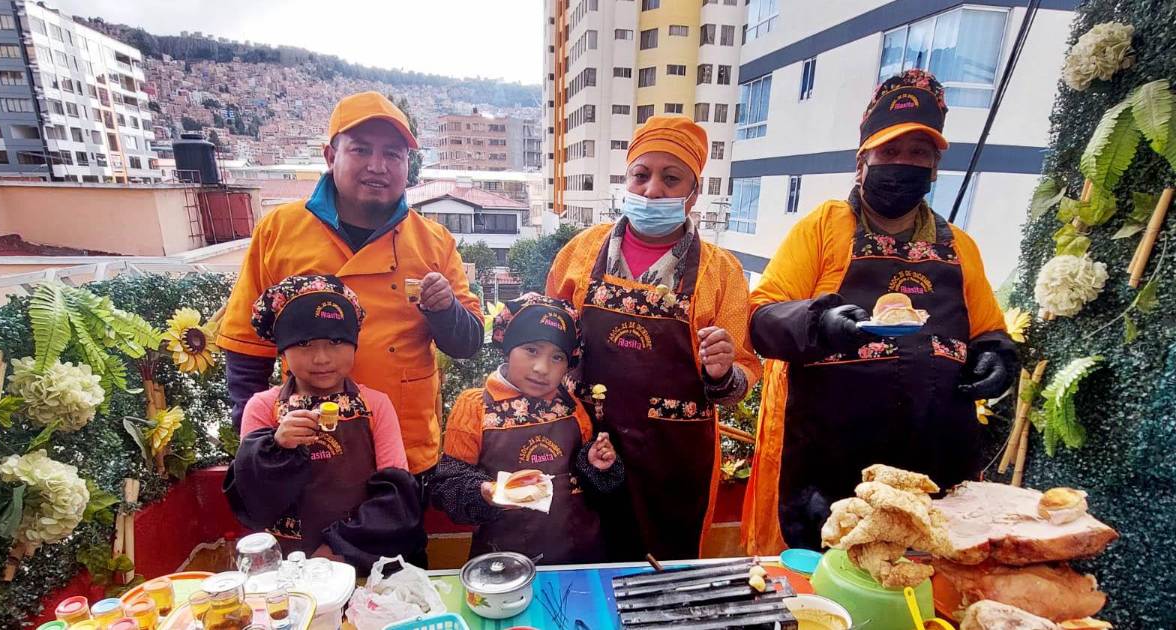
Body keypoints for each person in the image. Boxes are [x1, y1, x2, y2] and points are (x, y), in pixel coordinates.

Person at [742, 70, 1019, 553]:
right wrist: (820, 323)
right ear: (862, 162)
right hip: (832, 469)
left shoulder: (961, 247)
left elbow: (988, 330)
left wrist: (995, 356)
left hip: (935, 470)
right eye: (889, 152)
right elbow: (761, 317)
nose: (903, 164)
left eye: (918, 153)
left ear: (934, 168)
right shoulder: (824, 227)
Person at [217, 91, 484, 484]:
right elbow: (246, 350)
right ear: (330, 156)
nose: (378, 166)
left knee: (400, 525)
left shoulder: (434, 241)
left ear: (408, 165)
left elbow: (468, 343)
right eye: (361, 149)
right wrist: (258, 445)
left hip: (404, 451)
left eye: (393, 154)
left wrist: (445, 310)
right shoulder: (280, 230)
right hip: (309, 447)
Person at [547, 115, 761, 561]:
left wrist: (722, 372)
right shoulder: (580, 252)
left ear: (694, 192)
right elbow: (548, 341)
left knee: (664, 572)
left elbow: (741, 377)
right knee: (580, 560)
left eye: (671, 178)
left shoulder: (722, 272)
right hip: (584, 445)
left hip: (674, 461)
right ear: (626, 180)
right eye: (640, 175)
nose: (651, 190)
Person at [225, 275, 425, 572]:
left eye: (335, 342)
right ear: (283, 350)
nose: (321, 358)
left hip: (361, 559)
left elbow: (395, 495)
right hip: (290, 569)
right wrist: (276, 447)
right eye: (304, 343)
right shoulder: (264, 408)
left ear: (354, 345)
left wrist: (337, 548)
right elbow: (251, 499)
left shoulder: (376, 405)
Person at [431, 293, 623, 564]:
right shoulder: (475, 407)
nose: (542, 368)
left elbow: (591, 487)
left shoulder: (572, 406)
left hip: (579, 556)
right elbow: (448, 486)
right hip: (504, 562)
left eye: (557, 357)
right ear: (507, 347)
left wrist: (596, 466)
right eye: (531, 350)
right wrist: (484, 491)